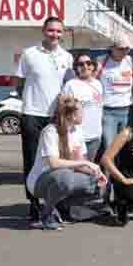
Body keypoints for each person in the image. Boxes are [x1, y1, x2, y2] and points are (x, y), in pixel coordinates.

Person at [13, 16, 75, 220]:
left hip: (56, 118)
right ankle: (33, 203)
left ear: (62, 34)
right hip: (32, 114)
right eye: (51, 30)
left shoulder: (67, 57)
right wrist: (28, 101)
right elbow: (19, 82)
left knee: (57, 160)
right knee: (32, 161)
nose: (54, 34)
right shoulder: (29, 54)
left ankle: (55, 202)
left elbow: (68, 87)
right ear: (43, 31)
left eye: (58, 31)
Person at [26, 94, 108, 230]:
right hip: (39, 181)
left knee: (99, 186)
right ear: (72, 116)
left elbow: (80, 161)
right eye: (81, 111)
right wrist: (86, 164)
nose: (84, 114)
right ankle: (46, 216)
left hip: (63, 178)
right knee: (66, 177)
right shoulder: (51, 131)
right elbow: (54, 163)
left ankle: (63, 208)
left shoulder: (78, 131)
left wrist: (96, 173)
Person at [61, 51, 104, 160]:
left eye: (88, 63)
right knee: (77, 167)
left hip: (95, 136)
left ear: (93, 66)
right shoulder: (70, 85)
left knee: (90, 165)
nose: (85, 66)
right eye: (81, 64)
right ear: (76, 67)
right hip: (78, 137)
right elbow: (64, 111)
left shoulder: (98, 84)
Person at [96, 36, 133, 154]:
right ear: (112, 48)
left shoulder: (129, 60)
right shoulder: (101, 61)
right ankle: (107, 167)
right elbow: (92, 80)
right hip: (108, 111)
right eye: (121, 49)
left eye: (127, 49)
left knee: (124, 146)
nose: (125, 52)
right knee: (109, 146)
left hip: (126, 110)